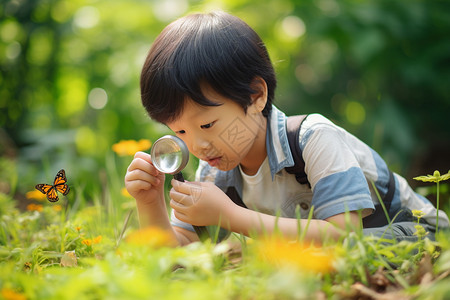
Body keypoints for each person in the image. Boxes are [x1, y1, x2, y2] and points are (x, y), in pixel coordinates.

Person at [125, 11, 449, 246]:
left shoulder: (312, 139)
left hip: (415, 232)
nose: (197, 146)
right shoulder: (215, 173)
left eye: (207, 124)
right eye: (179, 132)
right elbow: (176, 252)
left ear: (255, 96)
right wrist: (150, 201)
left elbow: (344, 236)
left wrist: (231, 216)